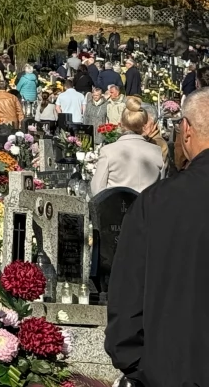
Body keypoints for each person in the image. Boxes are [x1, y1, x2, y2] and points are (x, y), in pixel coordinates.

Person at [105, 88, 209, 386]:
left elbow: (127, 301)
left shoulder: (157, 203)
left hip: (173, 371)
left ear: (186, 130)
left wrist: (142, 366)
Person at [92, 97, 163, 196]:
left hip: (118, 209)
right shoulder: (156, 151)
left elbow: (97, 190)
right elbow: (160, 188)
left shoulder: (108, 151)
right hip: (147, 209)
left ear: (121, 124)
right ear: (144, 125)